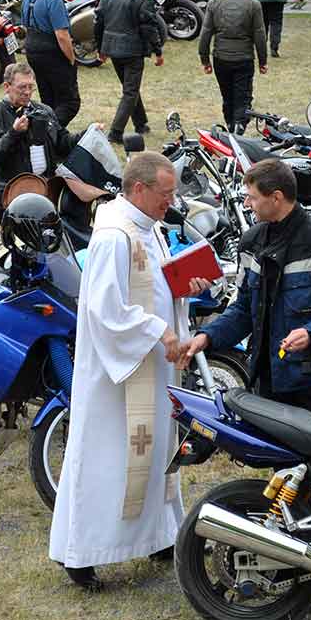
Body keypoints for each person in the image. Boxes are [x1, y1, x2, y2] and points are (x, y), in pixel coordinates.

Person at [49, 151, 211, 591]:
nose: (170, 201)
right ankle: (82, 554)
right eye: (165, 193)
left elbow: (154, 287)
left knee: (156, 453)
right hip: (116, 379)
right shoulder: (113, 236)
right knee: (107, 461)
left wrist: (185, 290)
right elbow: (105, 309)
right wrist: (162, 331)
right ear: (138, 189)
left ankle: (157, 536)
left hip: (154, 368)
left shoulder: (148, 227)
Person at [181, 159, 311, 427]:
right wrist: (207, 337)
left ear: (276, 198)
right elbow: (244, 308)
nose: (247, 204)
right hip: (270, 379)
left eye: (252, 198)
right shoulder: (251, 243)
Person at [0, 64, 83, 219]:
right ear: (7, 87)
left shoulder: (44, 111)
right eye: (22, 87)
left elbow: (62, 144)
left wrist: (85, 136)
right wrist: (14, 133)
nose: (27, 92)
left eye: (30, 87)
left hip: (47, 190)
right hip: (13, 192)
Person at [95, 0, 164, 144]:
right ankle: (115, 132)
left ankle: (141, 124)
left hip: (112, 48)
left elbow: (98, 23)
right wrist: (158, 51)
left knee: (130, 89)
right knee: (130, 91)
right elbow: (149, 28)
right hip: (132, 51)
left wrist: (100, 48)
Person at [199, 0, 267, 133]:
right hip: (244, 57)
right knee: (242, 95)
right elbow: (259, 35)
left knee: (227, 94)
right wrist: (263, 61)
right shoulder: (253, 5)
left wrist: (205, 59)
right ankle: (238, 125)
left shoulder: (214, 4)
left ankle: (231, 124)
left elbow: (206, 33)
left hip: (221, 57)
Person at [22, 0, 81, 129]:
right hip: (51, 53)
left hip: (32, 51)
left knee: (49, 100)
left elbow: (26, 27)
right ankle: (47, 132)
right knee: (70, 102)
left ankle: (52, 139)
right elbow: (62, 35)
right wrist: (71, 59)